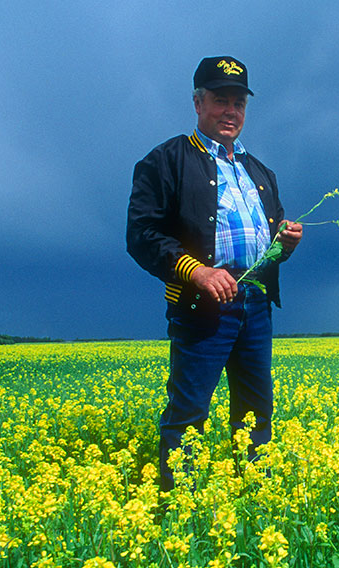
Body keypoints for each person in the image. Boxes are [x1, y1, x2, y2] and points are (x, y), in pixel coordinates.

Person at [127, 55, 302, 490]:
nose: (231, 111)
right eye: (221, 100)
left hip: (256, 304)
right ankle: (181, 504)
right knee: (189, 413)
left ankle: (255, 495)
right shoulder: (166, 160)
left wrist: (285, 245)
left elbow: (270, 247)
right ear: (197, 102)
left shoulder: (260, 171)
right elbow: (141, 234)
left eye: (239, 103)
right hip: (201, 305)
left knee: (257, 409)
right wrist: (197, 272)